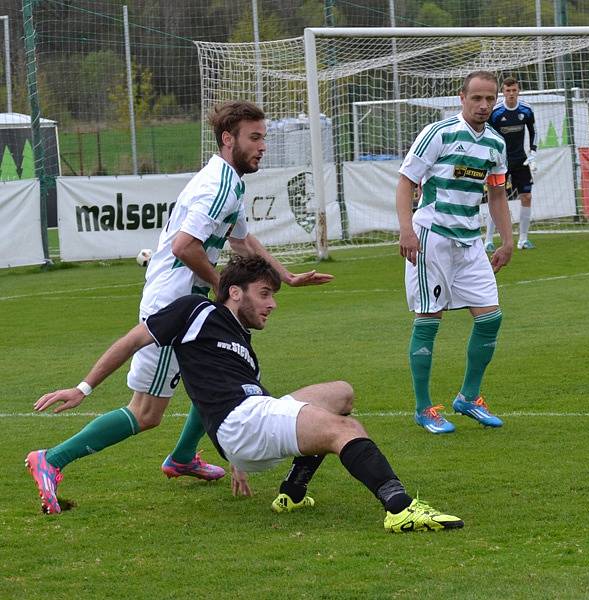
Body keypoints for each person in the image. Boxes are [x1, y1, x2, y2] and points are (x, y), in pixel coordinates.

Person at [25, 100, 333, 510]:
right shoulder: (217, 185)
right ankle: (51, 458)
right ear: (229, 140)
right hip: (174, 303)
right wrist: (223, 286)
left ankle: (184, 457)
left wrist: (287, 276)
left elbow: (243, 240)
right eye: (254, 138)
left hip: (192, 299)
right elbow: (185, 247)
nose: (263, 147)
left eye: (264, 138)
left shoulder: (230, 182)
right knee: (147, 412)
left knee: (217, 371)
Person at [27, 257, 463, 533]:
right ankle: (400, 507)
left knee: (341, 395)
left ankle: (292, 491)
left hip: (250, 421)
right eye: (265, 294)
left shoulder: (243, 347)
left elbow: (206, 395)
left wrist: (235, 456)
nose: (272, 304)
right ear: (234, 292)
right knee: (342, 429)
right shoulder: (196, 310)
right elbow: (131, 341)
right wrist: (82, 388)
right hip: (244, 424)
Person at [396, 70, 513, 434]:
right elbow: (406, 182)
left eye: (489, 99)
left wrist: (507, 240)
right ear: (461, 97)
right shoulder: (439, 133)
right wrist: (405, 228)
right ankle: (423, 407)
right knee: (430, 320)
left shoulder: (495, 143)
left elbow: (496, 194)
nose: (483, 105)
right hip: (431, 237)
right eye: (476, 98)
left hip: (470, 241)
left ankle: (468, 397)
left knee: (490, 317)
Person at [485, 76, 538, 251]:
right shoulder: (497, 112)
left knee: (527, 196)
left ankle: (523, 239)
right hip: (500, 162)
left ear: (518, 90)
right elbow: (487, 133)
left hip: (520, 160)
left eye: (514, 90)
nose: (511, 94)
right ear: (503, 92)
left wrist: (533, 153)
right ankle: (488, 240)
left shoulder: (526, 110)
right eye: (508, 91)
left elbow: (533, 131)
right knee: (496, 197)